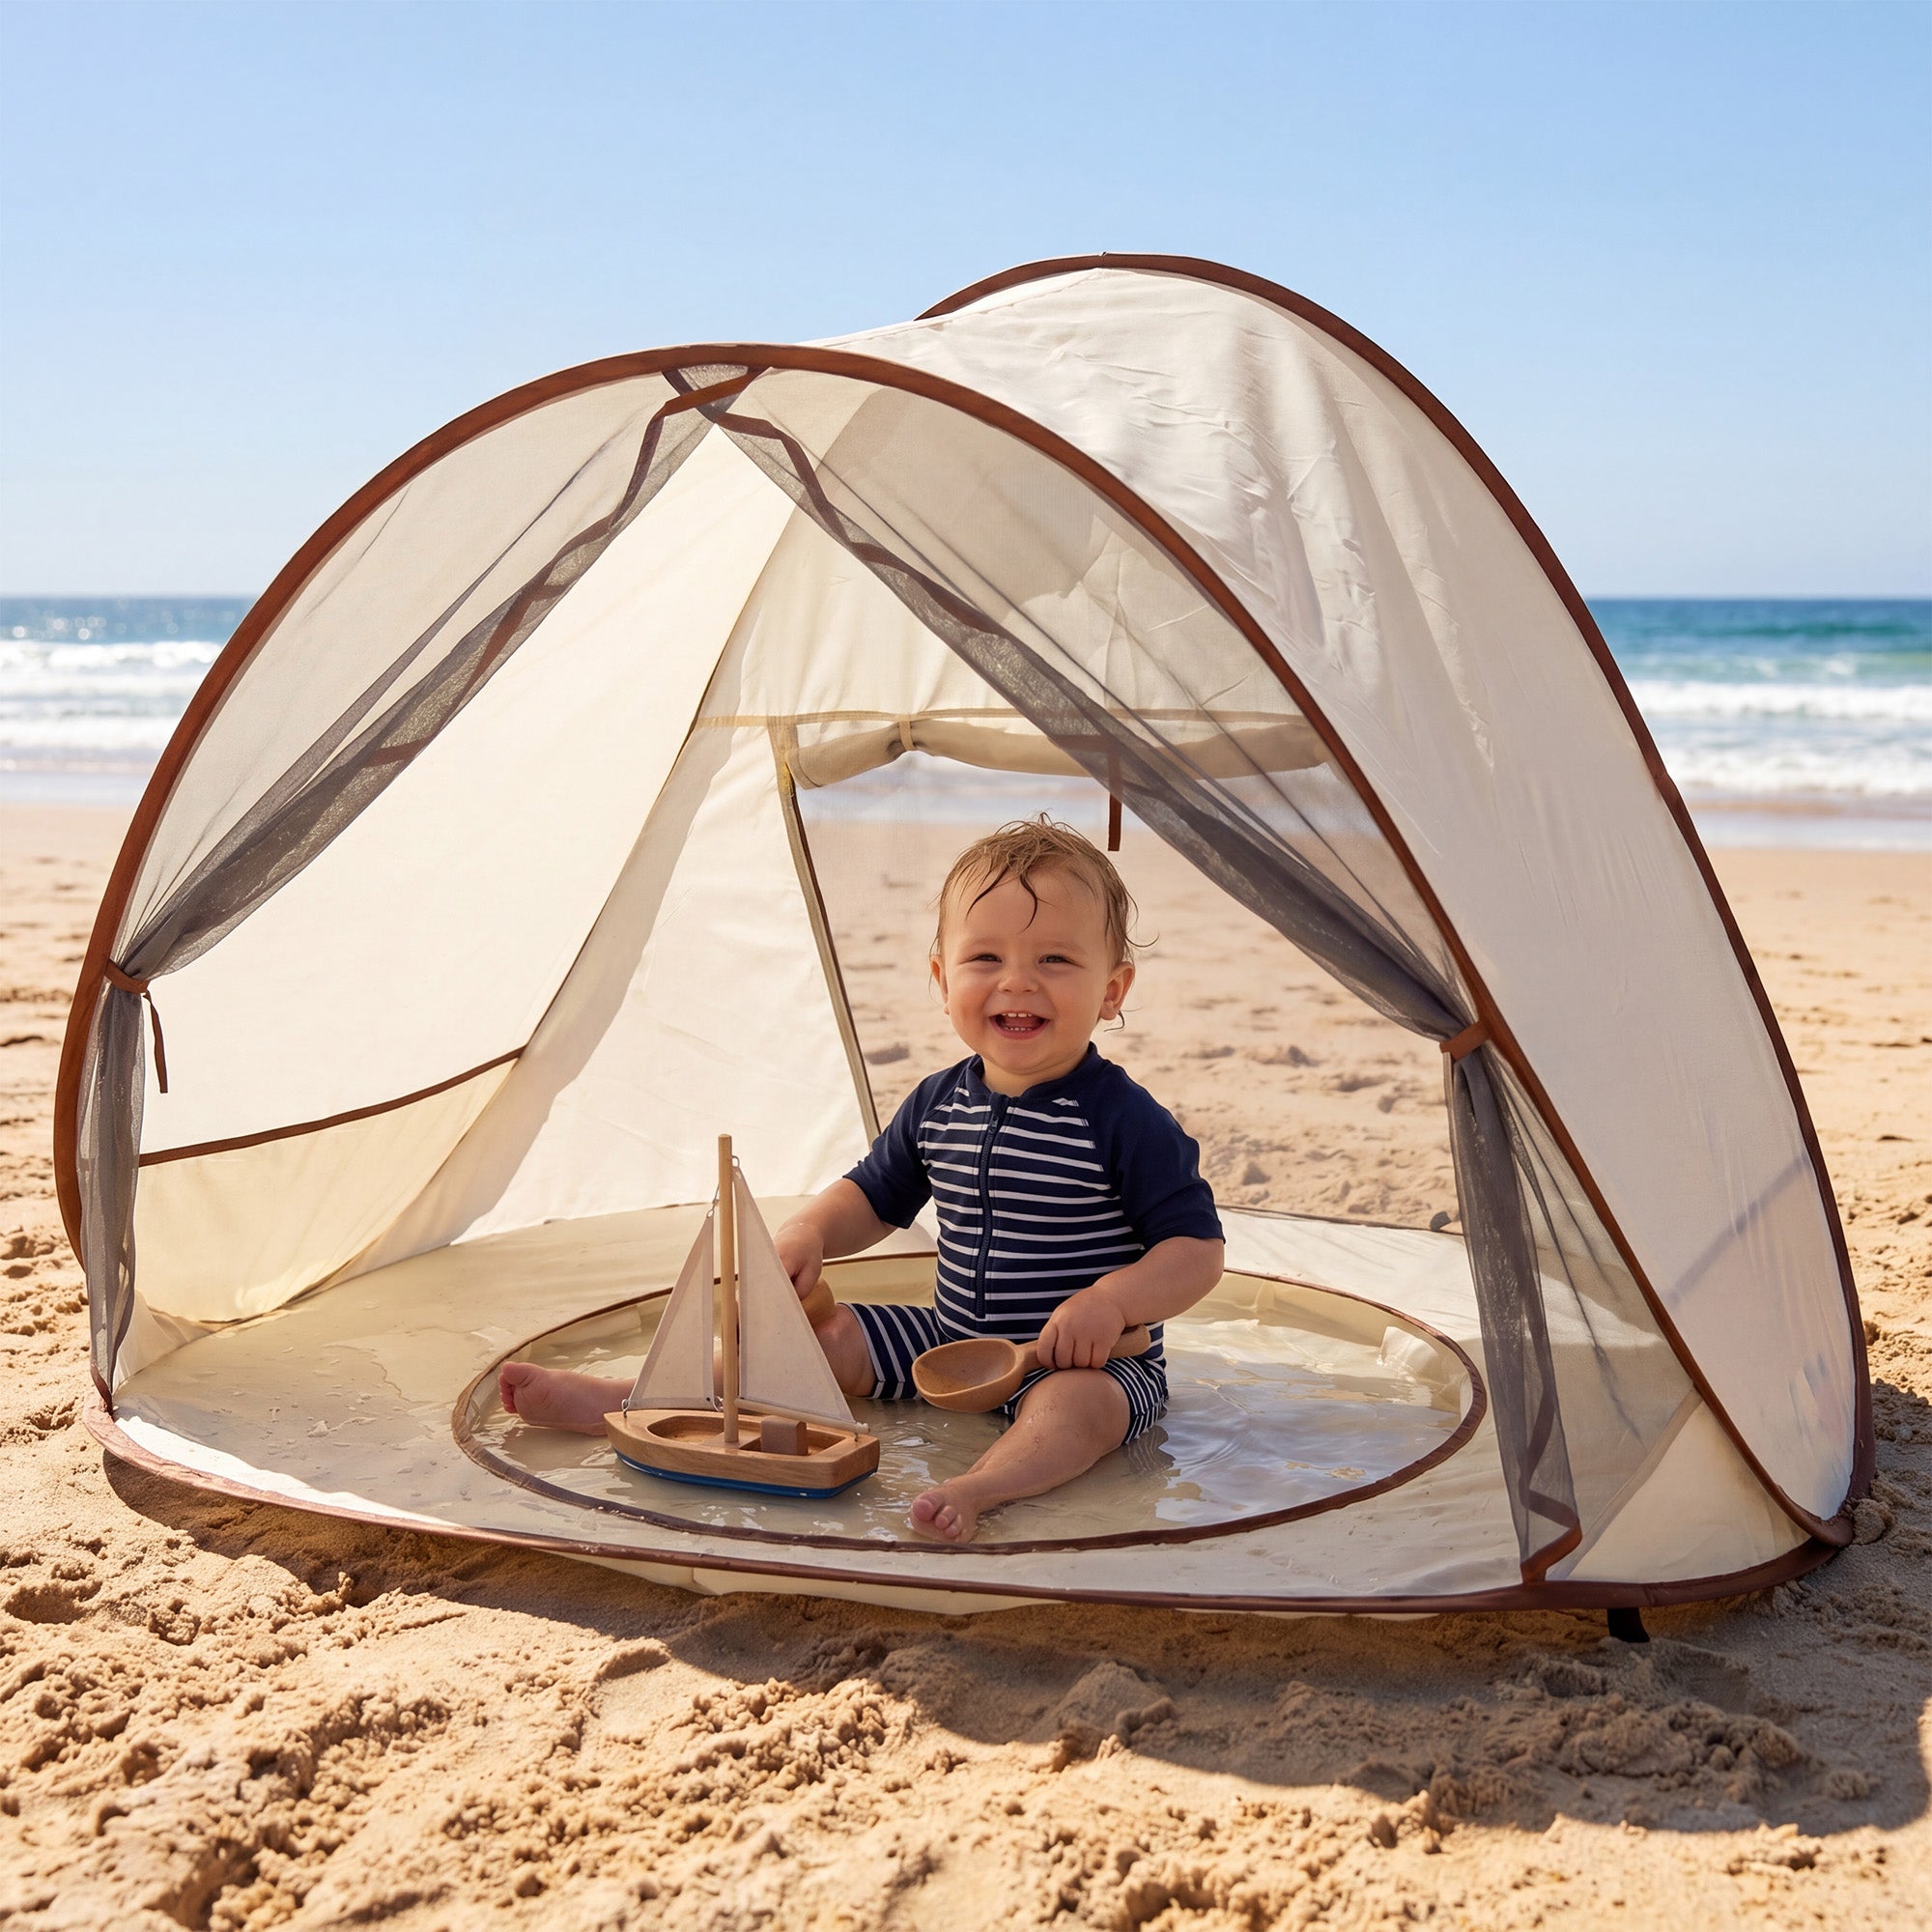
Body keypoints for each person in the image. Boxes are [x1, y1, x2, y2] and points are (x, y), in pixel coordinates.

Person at [500, 816, 1226, 1545]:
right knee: (825, 1335)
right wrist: (809, 1232)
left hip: (1083, 1360)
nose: (1017, 981)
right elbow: (871, 1197)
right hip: (949, 1343)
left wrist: (1110, 1301)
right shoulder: (940, 1103)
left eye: (1056, 960)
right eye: (985, 957)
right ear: (942, 980)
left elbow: (1196, 1251)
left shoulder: (1124, 1120)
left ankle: (980, 1488)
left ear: (1112, 988)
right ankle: (637, 1399)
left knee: (1077, 1411)